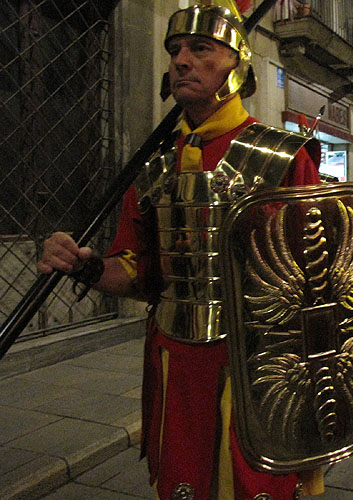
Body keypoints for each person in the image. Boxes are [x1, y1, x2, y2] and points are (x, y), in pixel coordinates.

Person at [37, 4, 324, 499]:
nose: (182, 60)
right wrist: (84, 265)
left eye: (201, 48)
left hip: (257, 364)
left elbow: (321, 285)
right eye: (175, 50)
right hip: (176, 355)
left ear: (236, 63)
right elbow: (137, 273)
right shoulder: (156, 166)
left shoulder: (284, 157)